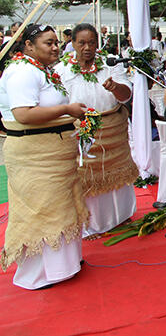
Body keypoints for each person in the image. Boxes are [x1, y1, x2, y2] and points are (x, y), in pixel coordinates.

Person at [0, 24, 89, 289]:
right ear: (28, 46)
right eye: (48, 43)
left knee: (61, 208)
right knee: (41, 211)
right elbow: (23, 114)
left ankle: (64, 265)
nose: (55, 47)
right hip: (34, 157)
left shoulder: (42, 70)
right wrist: (67, 109)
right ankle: (40, 274)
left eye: (55, 42)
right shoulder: (22, 72)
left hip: (55, 154)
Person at [54, 23, 137, 237]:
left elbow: (126, 94)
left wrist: (115, 88)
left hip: (112, 125)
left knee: (115, 174)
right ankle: (90, 223)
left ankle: (119, 217)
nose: (87, 47)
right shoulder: (61, 69)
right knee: (88, 174)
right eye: (81, 43)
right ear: (72, 43)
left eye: (92, 42)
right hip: (83, 125)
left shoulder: (110, 64)